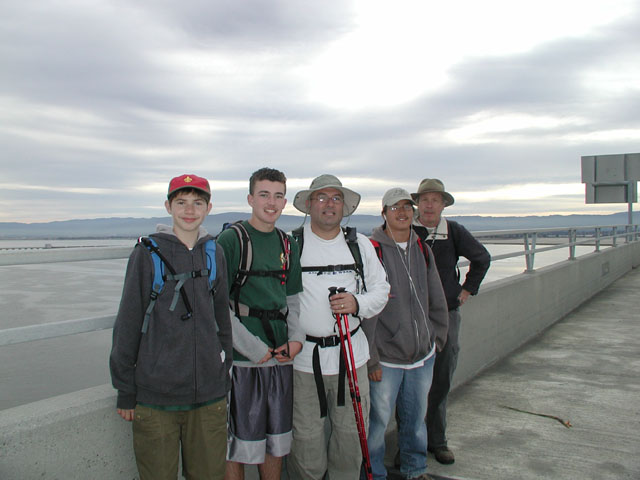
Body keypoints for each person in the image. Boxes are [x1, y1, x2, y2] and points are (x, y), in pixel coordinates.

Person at [110, 174, 232, 480]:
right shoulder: (147, 254)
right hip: (156, 399)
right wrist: (126, 390)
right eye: (181, 202)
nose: (189, 210)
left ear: (208, 208)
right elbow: (128, 321)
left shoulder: (214, 253)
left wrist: (223, 372)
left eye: (197, 203)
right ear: (168, 206)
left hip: (209, 397)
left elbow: (222, 319)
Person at [288, 174, 390, 480]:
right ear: (309, 205)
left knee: (350, 440)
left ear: (344, 207)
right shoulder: (292, 245)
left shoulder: (359, 245)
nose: (329, 204)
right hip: (304, 362)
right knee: (305, 441)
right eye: (321, 197)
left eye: (336, 198)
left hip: (352, 358)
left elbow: (381, 290)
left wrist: (357, 303)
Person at [216, 167, 304, 480]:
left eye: (278, 196)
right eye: (264, 194)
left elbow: (292, 300)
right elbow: (217, 306)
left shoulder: (288, 244)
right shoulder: (231, 241)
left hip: (280, 358)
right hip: (242, 362)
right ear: (250, 199)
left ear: (285, 202)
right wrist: (252, 348)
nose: (271, 202)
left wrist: (296, 340)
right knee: (235, 444)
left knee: (275, 441)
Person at [364, 188, 449, 480]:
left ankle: (415, 469)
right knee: (377, 424)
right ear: (384, 213)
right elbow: (367, 312)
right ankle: (374, 474)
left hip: (421, 356)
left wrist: (437, 337)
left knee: (415, 421)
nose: (402, 212)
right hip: (386, 359)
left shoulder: (422, 249)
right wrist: (372, 359)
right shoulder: (372, 251)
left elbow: (436, 296)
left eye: (406, 207)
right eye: (394, 207)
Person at [411, 178, 490, 465]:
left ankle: (438, 441)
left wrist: (467, 290)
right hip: (412, 318)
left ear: (444, 204)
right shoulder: (406, 229)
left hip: (446, 315)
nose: (429, 205)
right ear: (417, 203)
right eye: (425, 199)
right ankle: (410, 443)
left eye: (436, 200)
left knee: (441, 379)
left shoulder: (454, 231)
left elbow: (482, 258)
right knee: (410, 383)